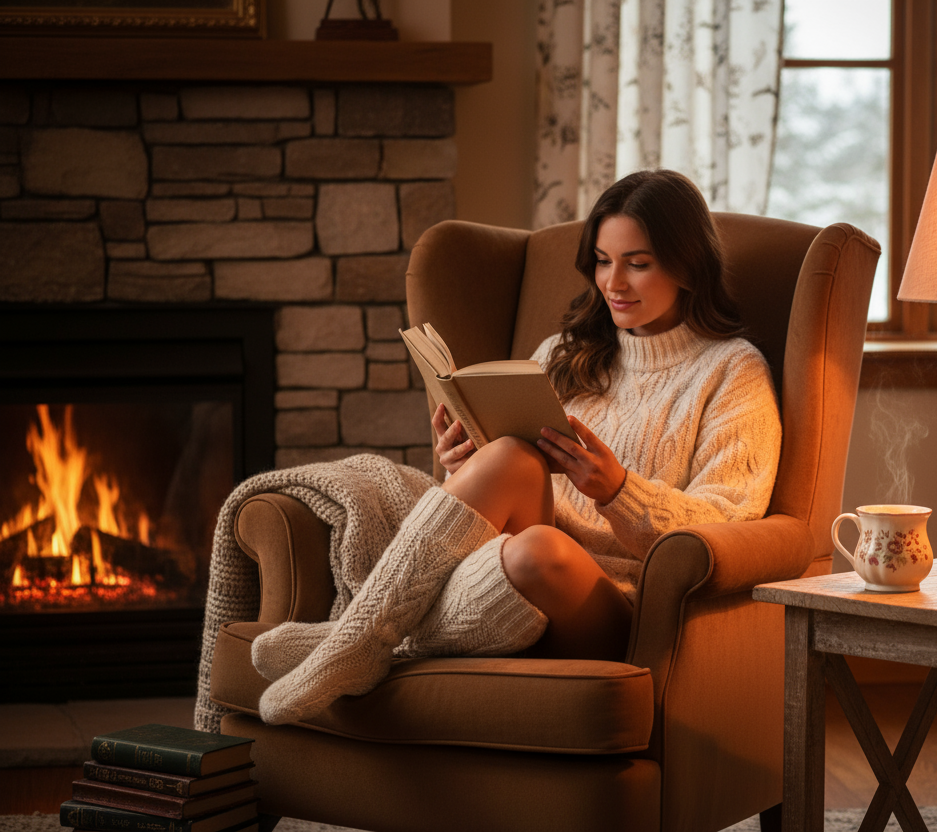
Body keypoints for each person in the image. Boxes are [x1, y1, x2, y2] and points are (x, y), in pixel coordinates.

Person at [252, 169, 782, 725]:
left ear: (688, 265)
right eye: (602, 261)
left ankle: (354, 638)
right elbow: (501, 494)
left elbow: (731, 521)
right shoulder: (563, 351)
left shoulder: (731, 369)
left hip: (611, 604)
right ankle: (362, 641)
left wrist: (619, 492)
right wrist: (466, 461)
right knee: (512, 466)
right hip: (515, 560)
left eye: (638, 263)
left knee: (539, 549)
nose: (614, 283)